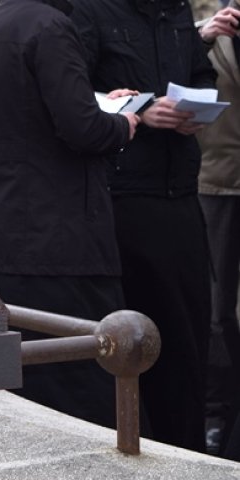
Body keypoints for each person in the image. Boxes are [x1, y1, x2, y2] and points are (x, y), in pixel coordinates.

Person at [0, 0, 139, 428]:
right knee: (88, 379)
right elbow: (82, 128)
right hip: (58, 243)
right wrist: (123, 125)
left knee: (25, 384)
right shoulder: (51, 26)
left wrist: (91, 106)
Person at [71, 0, 218, 452]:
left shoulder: (177, 12)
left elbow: (202, 72)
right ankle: (139, 447)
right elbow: (79, 93)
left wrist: (198, 106)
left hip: (181, 193)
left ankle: (188, 451)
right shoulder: (90, 12)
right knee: (132, 337)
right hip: (125, 198)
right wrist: (144, 110)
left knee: (189, 337)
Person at [196, 1, 240, 459]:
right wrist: (202, 37)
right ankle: (217, 413)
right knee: (216, 309)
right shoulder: (203, 36)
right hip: (218, 185)